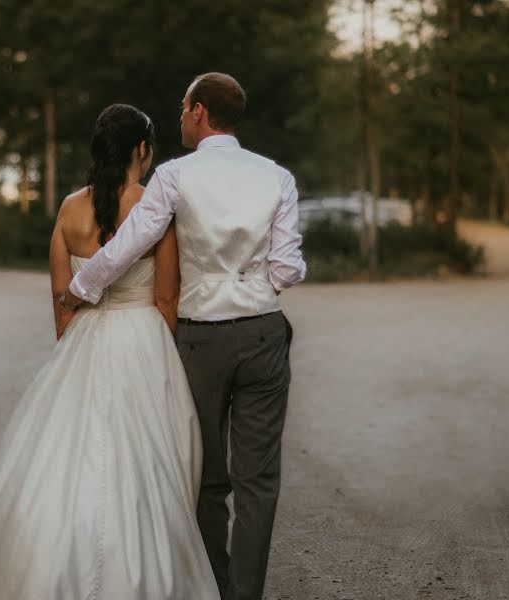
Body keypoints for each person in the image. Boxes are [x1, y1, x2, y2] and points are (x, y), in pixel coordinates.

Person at [64, 73, 307, 600]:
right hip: (263, 331)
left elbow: (131, 243)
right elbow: (288, 269)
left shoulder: (175, 176)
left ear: (199, 112)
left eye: (181, 109)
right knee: (259, 481)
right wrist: (253, 284)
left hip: (202, 340)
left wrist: (81, 285)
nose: (178, 118)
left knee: (206, 476)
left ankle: (213, 587)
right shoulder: (277, 177)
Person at [0, 103, 220, 600]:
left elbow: (62, 303)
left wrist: (77, 353)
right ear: (141, 151)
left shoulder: (68, 210)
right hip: (144, 338)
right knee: (152, 463)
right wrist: (163, 360)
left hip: (85, 338)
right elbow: (167, 297)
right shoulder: (154, 206)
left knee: (70, 463)